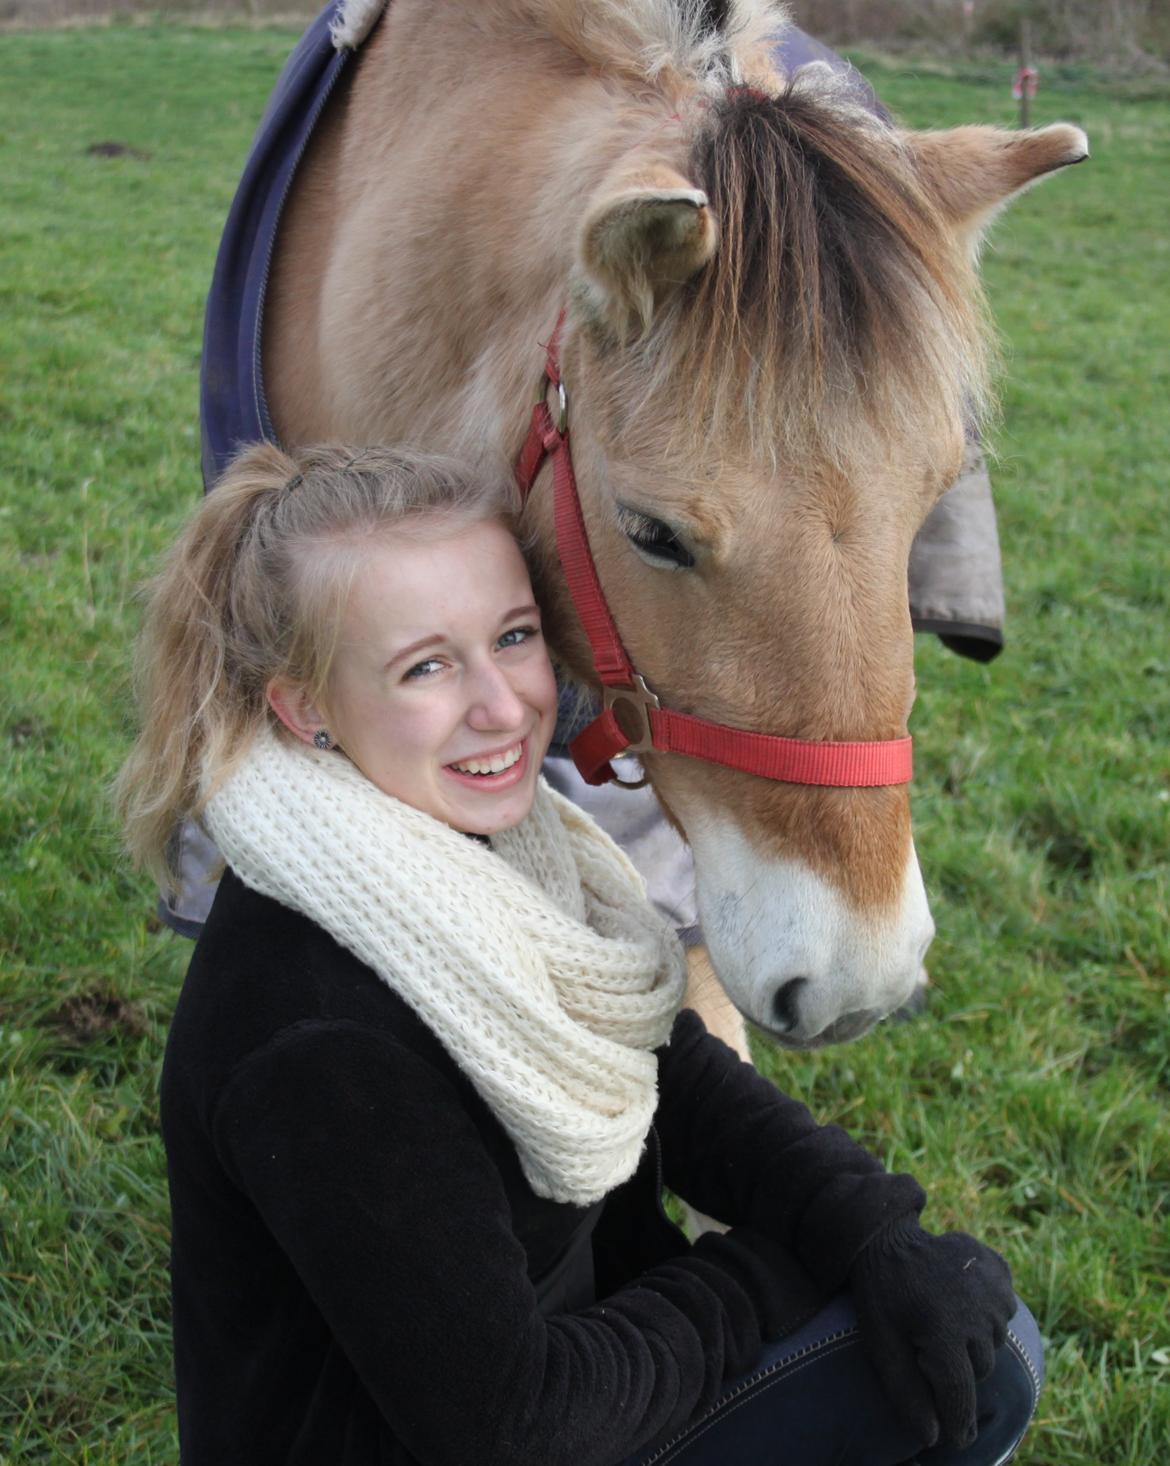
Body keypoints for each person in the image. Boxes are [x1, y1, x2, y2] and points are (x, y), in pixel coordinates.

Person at [117, 442, 1042, 1466]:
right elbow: (516, 1426)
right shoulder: (316, 1038)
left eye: (512, 636)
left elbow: (667, 1071)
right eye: (425, 665)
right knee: (978, 1372)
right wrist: (766, 1273)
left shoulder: (493, 846)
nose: (506, 704)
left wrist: (872, 1231)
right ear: (305, 707)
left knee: (946, 1320)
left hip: (584, 1379)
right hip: (505, 1433)